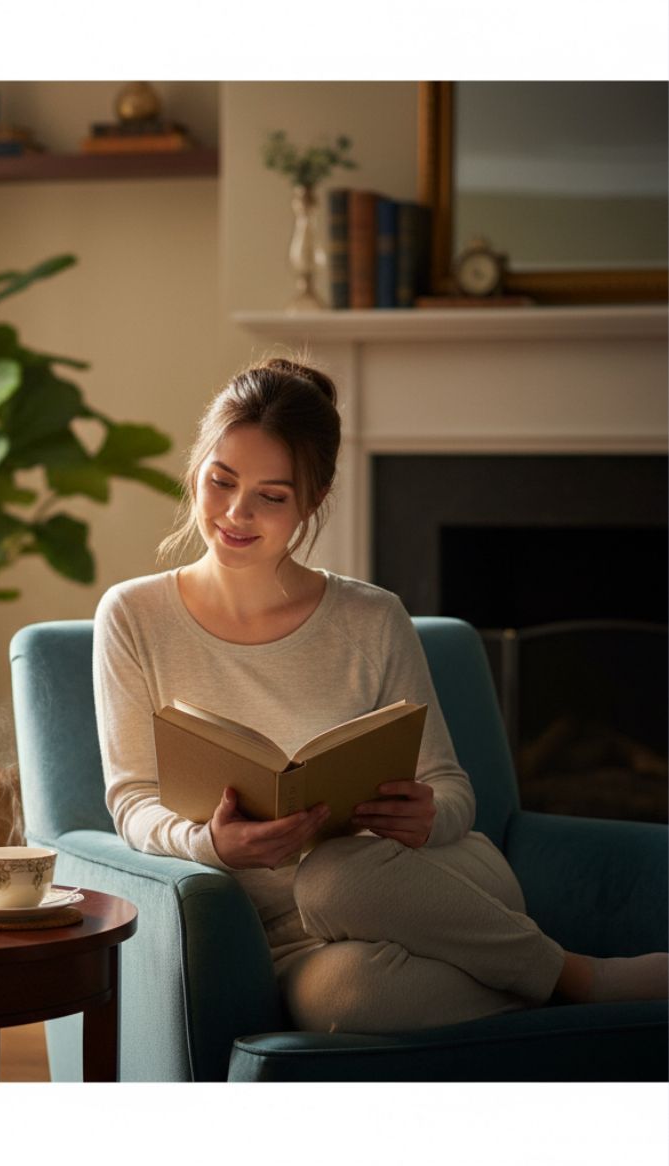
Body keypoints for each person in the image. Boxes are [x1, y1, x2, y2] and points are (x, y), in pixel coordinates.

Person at [93, 355, 667, 1033]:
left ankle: (582, 978)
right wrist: (210, 844)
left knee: (334, 874)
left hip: (428, 880)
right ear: (196, 470)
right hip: (291, 936)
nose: (236, 513)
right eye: (221, 481)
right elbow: (132, 800)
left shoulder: (372, 618)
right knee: (343, 1002)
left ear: (312, 502)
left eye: (272, 496)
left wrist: (428, 816)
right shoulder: (133, 616)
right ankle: (547, 978)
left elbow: (452, 789)